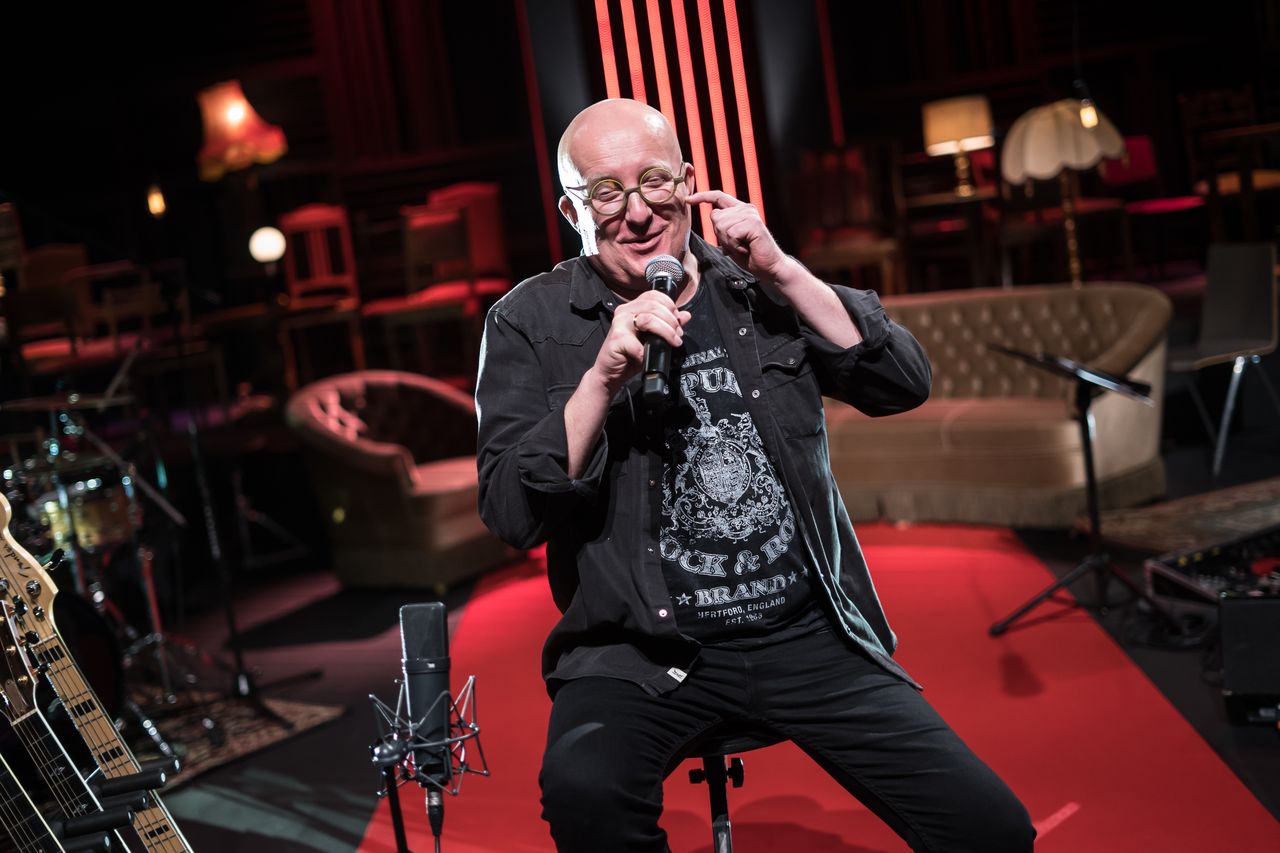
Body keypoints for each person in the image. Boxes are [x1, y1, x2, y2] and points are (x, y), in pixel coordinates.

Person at [475, 98, 1034, 852]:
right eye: (607, 192)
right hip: (640, 651)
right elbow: (513, 511)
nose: (637, 211)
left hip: (806, 634)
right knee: (585, 799)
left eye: (654, 181)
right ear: (572, 209)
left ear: (688, 182)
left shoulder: (755, 284)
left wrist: (780, 268)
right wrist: (602, 377)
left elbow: (901, 381)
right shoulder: (530, 321)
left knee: (993, 830)